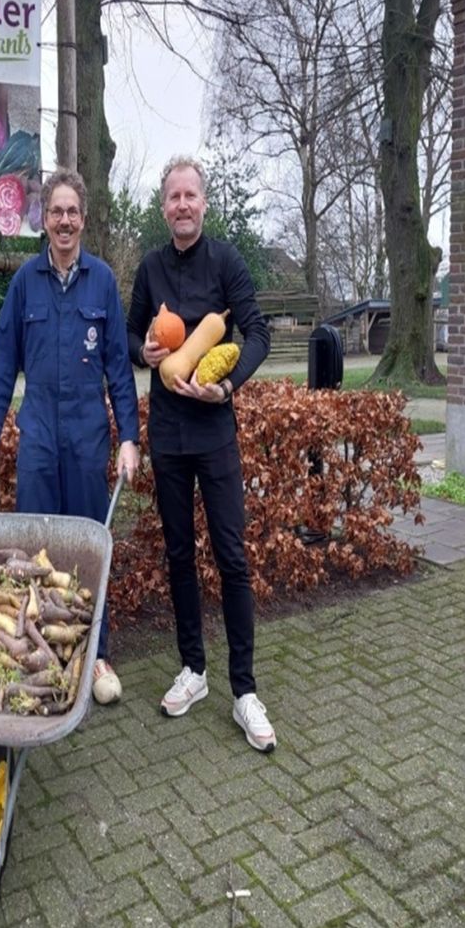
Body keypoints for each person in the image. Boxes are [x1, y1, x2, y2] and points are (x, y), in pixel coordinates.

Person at [0, 168, 140, 705]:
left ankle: (95, 657)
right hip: (40, 437)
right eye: (55, 212)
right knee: (35, 553)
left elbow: (119, 368)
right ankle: (37, 657)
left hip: (88, 438)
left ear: (83, 221)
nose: (64, 221)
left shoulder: (103, 282)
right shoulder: (25, 282)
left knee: (91, 547)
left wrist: (130, 438)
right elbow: (2, 364)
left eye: (73, 212)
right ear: (43, 220)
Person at [126, 156, 276, 752]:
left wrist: (228, 386)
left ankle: (244, 690)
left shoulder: (227, 262)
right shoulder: (150, 268)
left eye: (191, 196)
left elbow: (258, 332)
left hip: (214, 428)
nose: (182, 205)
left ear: (203, 204)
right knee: (180, 553)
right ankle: (194, 670)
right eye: (173, 198)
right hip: (167, 431)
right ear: (163, 207)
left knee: (232, 555)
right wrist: (146, 351)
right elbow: (132, 336)